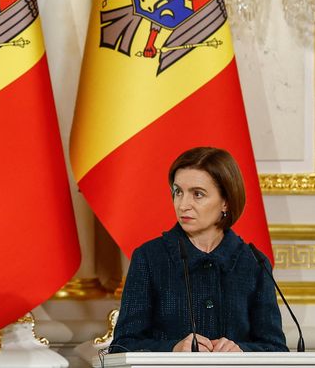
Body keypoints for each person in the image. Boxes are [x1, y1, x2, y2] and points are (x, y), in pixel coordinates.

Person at [112, 146, 286, 353]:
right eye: (178, 192)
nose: (183, 204)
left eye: (198, 194)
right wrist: (173, 349)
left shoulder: (255, 263)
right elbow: (122, 346)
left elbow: (276, 349)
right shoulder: (149, 258)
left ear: (226, 202)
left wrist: (241, 352)